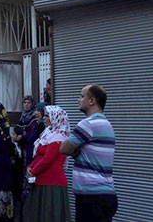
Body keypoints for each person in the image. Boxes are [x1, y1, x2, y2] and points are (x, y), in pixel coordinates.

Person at [60, 84, 117, 222]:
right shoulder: (106, 124)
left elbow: (64, 149)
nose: (78, 100)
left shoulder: (88, 124)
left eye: (82, 96)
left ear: (92, 101)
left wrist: (75, 151)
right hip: (104, 194)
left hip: (91, 197)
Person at [23, 105, 71, 222]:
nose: (43, 118)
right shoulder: (47, 134)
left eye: (46, 116)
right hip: (41, 181)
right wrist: (30, 167)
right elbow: (39, 156)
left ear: (55, 118)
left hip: (52, 183)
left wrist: (33, 172)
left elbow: (47, 160)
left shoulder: (59, 137)